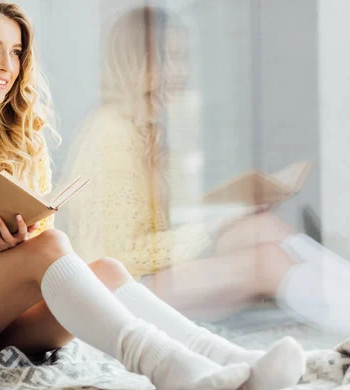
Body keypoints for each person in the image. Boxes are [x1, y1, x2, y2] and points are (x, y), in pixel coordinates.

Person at [0, 1, 306, 390]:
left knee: (105, 270)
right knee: (48, 250)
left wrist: (15, 236)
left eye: (16, 52)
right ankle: (162, 366)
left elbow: (36, 250)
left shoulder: (18, 135)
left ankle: (233, 364)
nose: (7, 64)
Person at [65, 5, 350, 334]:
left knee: (262, 227)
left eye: (183, 57)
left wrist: (230, 212)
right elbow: (120, 255)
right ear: (135, 62)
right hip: (117, 292)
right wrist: (217, 222)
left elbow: (160, 227)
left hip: (148, 276)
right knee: (267, 262)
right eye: (169, 58)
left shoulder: (147, 129)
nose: (181, 71)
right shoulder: (112, 133)